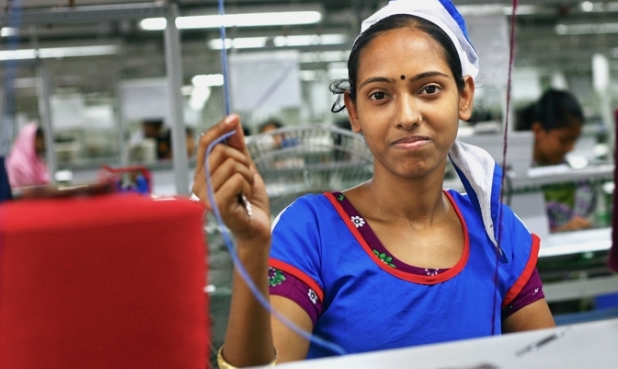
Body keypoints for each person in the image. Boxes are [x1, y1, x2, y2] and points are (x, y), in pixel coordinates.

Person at [193, 1, 554, 366]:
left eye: (429, 89)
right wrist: (252, 246)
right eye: (379, 95)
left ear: (464, 96)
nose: (408, 116)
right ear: (354, 111)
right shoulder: (312, 231)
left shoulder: (497, 232)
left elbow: (550, 360)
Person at [519, 90, 593, 232]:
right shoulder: (517, 180)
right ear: (538, 130)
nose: (571, 148)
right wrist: (561, 231)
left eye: (574, 140)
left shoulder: (576, 180)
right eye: (564, 140)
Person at [5, 123, 50, 188]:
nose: (41, 145)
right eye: (39, 140)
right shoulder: (16, 164)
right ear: (28, 140)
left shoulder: (38, 163)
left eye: (42, 140)